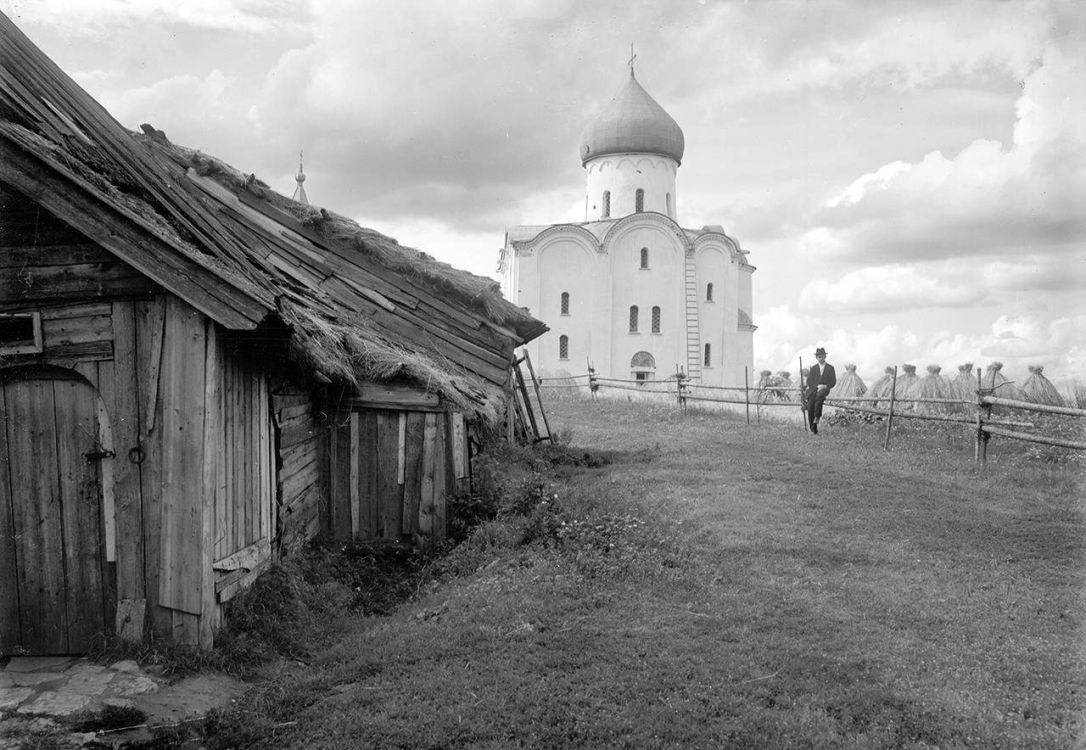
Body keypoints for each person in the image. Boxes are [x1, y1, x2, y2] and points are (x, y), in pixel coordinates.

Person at [805, 347, 836, 434]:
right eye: (819, 357)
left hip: (824, 389)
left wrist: (825, 386)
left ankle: (817, 416)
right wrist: (817, 386)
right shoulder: (813, 368)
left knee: (820, 396)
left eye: (822, 356)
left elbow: (833, 381)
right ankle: (813, 429)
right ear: (816, 358)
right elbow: (809, 381)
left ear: (825, 357)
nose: (821, 358)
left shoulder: (830, 368)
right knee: (810, 406)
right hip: (814, 390)